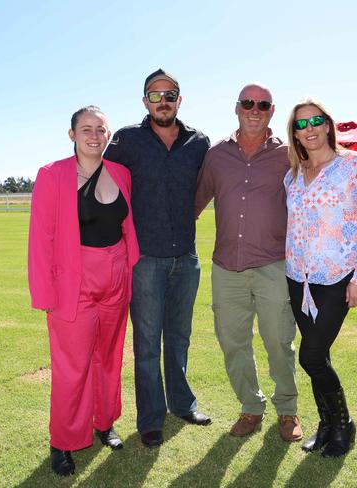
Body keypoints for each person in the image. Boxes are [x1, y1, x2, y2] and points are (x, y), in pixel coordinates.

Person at [28, 106, 139, 476]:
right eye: (86, 129)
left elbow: (127, 228)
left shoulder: (121, 173)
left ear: (108, 135)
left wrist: (129, 272)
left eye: (101, 129)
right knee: (71, 367)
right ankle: (63, 441)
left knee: (108, 358)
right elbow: (41, 238)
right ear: (72, 134)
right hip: (72, 284)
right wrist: (46, 294)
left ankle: (103, 423)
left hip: (115, 279)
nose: (94, 135)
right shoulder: (52, 175)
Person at [103, 69, 211, 448]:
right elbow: (103, 184)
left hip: (187, 257)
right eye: (155, 94)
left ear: (180, 100)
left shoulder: (199, 142)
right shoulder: (125, 140)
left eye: (170, 94)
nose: (163, 100)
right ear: (144, 100)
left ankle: (182, 403)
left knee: (179, 337)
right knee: (147, 343)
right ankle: (150, 419)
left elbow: (206, 189)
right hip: (144, 259)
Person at [195, 83, 302, 442]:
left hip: (273, 264)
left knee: (278, 340)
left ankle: (287, 410)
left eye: (262, 104)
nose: (254, 109)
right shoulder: (216, 156)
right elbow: (192, 204)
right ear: (236, 108)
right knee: (232, 341)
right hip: (226, 267)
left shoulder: (289, 154)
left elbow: (312, 198)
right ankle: (250, 407)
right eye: (247, 103)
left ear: (272, 111)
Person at [284, 98, 357, 457]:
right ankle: (326, 425)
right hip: (297, 277)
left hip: (336, 278)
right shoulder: (292, 174)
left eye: (315, 121)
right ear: (294, 133)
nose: (308, 129)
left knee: (310, 355)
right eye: (300, 124)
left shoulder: (353, 167)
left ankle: (344, 426)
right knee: (318, 356)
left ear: (328, 125)